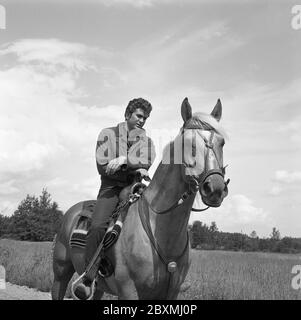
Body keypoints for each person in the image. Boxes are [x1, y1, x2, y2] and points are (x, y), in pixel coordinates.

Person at [74, 98, 156, 300]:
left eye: (145, 117)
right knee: (98, 226)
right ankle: (89, 277)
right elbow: (103, 165)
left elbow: (148, 160)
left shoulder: (147, 141)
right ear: (127, 114)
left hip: (135, 186)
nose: (142, 120)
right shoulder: (107, 134)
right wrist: (133, 164)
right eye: (138, 115)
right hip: (111, 187)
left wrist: (123, 160)